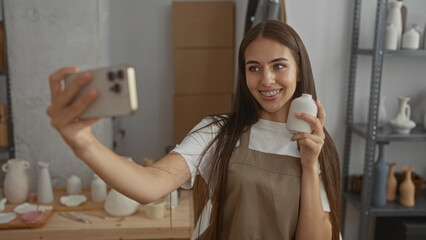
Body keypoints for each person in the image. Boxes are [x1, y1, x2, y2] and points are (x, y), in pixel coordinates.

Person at [47, 20, 341, 240]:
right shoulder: (219, 132)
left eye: (278, 66)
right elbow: (149, 185)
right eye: (254, 68)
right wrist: (83, 142)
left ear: (299, 70)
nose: (266, 80)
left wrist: (308, 164)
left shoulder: (316, 144)